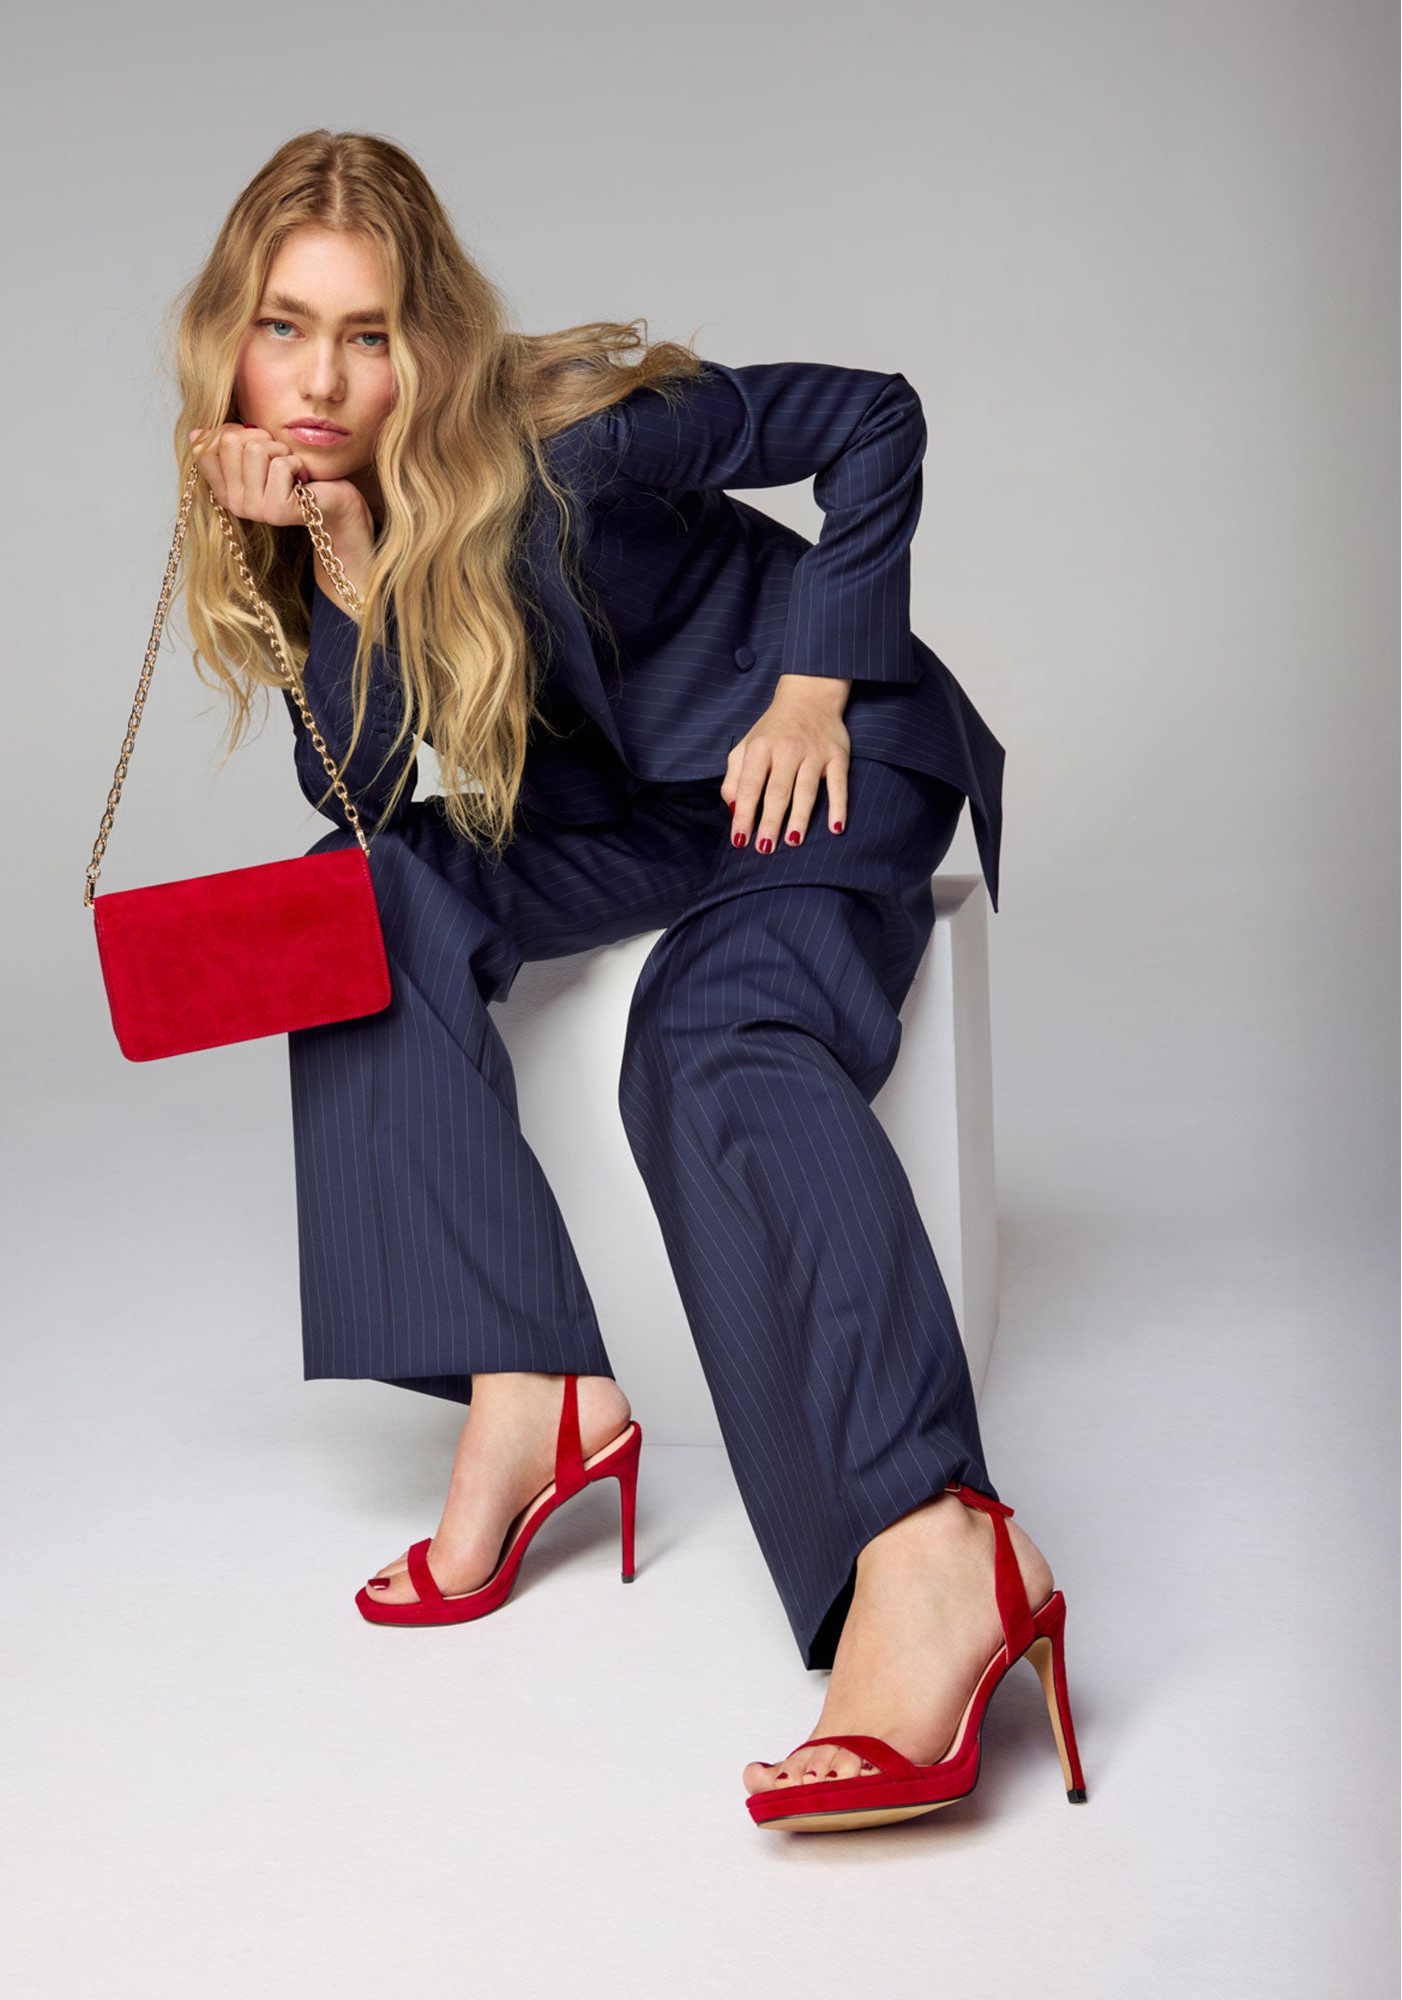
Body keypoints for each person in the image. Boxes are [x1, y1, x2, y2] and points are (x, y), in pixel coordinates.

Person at [172, 129, 1086, 1833]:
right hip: (640, 816)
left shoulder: (579, 441)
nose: (322, 380)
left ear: (430, 341)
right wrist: (337, 552)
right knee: (358, 892)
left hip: (819, 769)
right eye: (285, 328)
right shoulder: (320, 501)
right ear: (230, 337)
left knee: (707, 1031)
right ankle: (528, 1387)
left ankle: (935, 1543)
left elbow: (872, 416)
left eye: (368, 334)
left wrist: (815, 684)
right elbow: (358, 787)